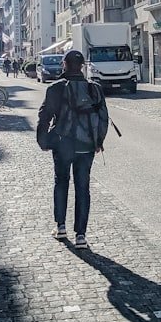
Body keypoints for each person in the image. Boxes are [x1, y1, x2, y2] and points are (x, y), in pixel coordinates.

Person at [36, 50, 109, 249]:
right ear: (82, 66)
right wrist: (98, 141)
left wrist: (43, 140)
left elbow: (44, 116)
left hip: (63, 143)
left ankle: (60, 226)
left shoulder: (55, 88)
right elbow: (103, 118)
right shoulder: (94, 89)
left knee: (61, 182)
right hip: (86, 145)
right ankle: (81, 236)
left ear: (64, 65)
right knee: (83, 188)